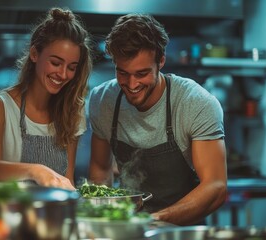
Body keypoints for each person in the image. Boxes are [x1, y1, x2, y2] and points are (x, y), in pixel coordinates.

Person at [88, 13, 227, 225]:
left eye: (142, 73)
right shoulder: (102, 100)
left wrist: (152, 221)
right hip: (127, 230)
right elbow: (100, 169)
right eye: (123, 73)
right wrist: (104, 220)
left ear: (161, 61)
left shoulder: (194, 103)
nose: (132, 84)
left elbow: (215, 187)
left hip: (182, 232)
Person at [0, 7, 93, 190]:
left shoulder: (73, 108)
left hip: (54, 213)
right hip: (10, 212)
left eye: (72, 67)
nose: (63, 74)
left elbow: (68, 177)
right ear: (34, 54)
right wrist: (35, 170)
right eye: (55, 63)